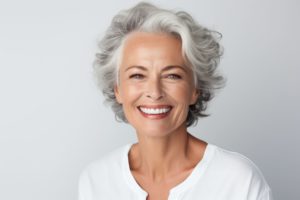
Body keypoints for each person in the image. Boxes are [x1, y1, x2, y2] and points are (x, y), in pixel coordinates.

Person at [78, 2, 273, 200]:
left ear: (195, 89)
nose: (154, 92)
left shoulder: (239, 181)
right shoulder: (96, 180)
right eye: (137, 75)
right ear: (117, 89)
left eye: (172, 75)